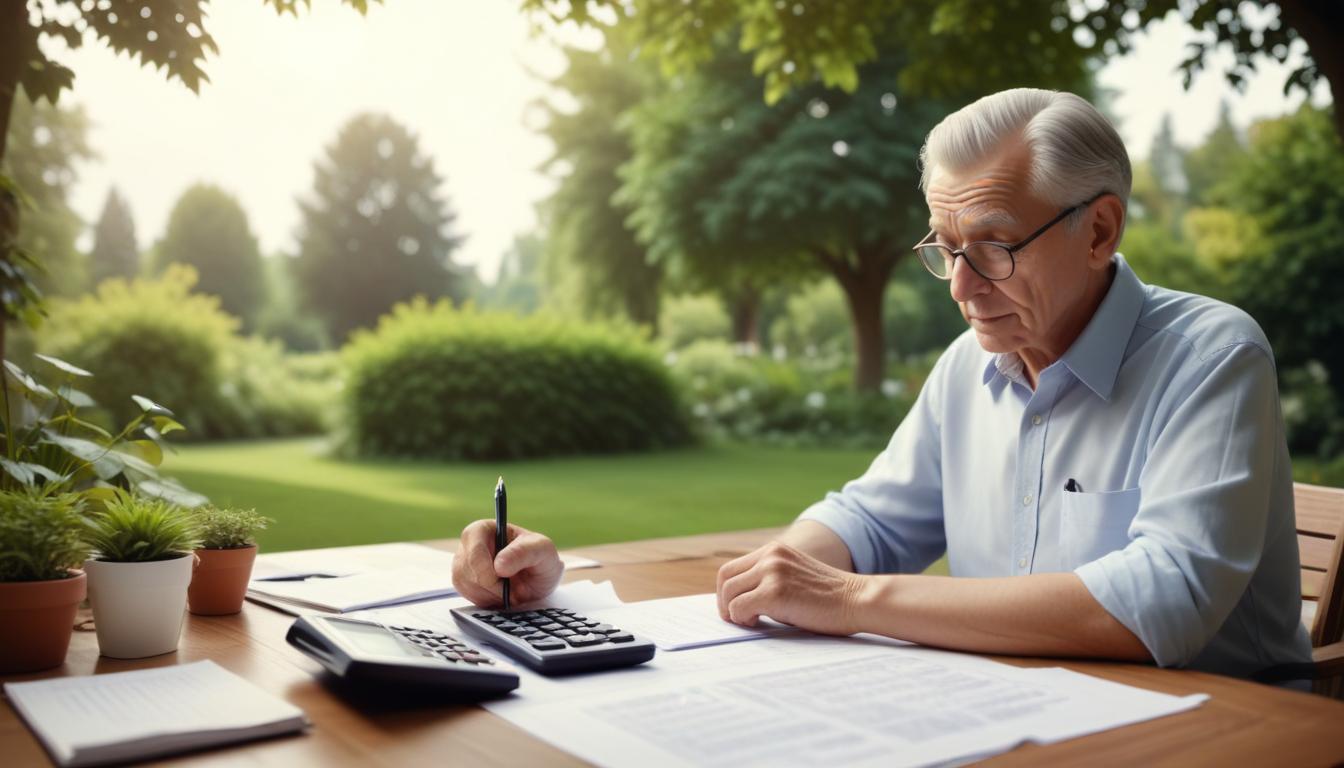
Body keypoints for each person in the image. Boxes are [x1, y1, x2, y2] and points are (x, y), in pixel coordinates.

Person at [451, 88, 1312, 678]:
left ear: (1100, 230)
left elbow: (1163, 602)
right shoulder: (968, 369)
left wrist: (853, 599)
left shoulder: (1212, 355)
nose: (964, 288)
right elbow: (868, 518)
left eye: (995, 247)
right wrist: (781, 573)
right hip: (1021, 714)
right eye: (945, 249)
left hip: (1213, 733)